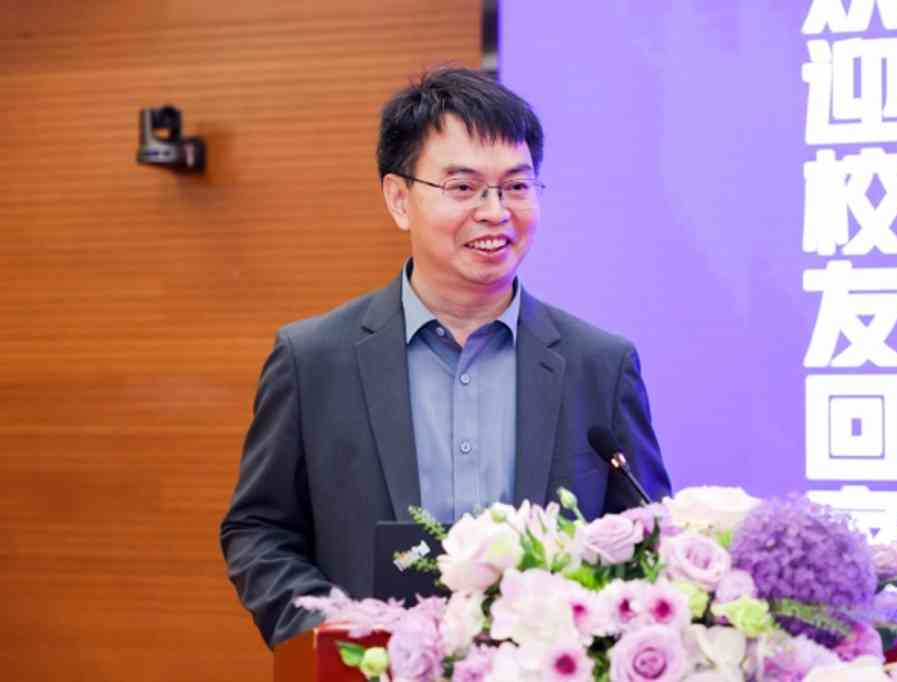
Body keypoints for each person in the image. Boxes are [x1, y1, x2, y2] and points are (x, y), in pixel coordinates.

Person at [220, 67, 672, 648]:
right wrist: (336, 635)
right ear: (399, 199)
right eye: (463, 188)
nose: (495, 211)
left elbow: (647, 537)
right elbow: (259, 529)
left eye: (516, 186)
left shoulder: (600, 365)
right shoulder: (313, 361)